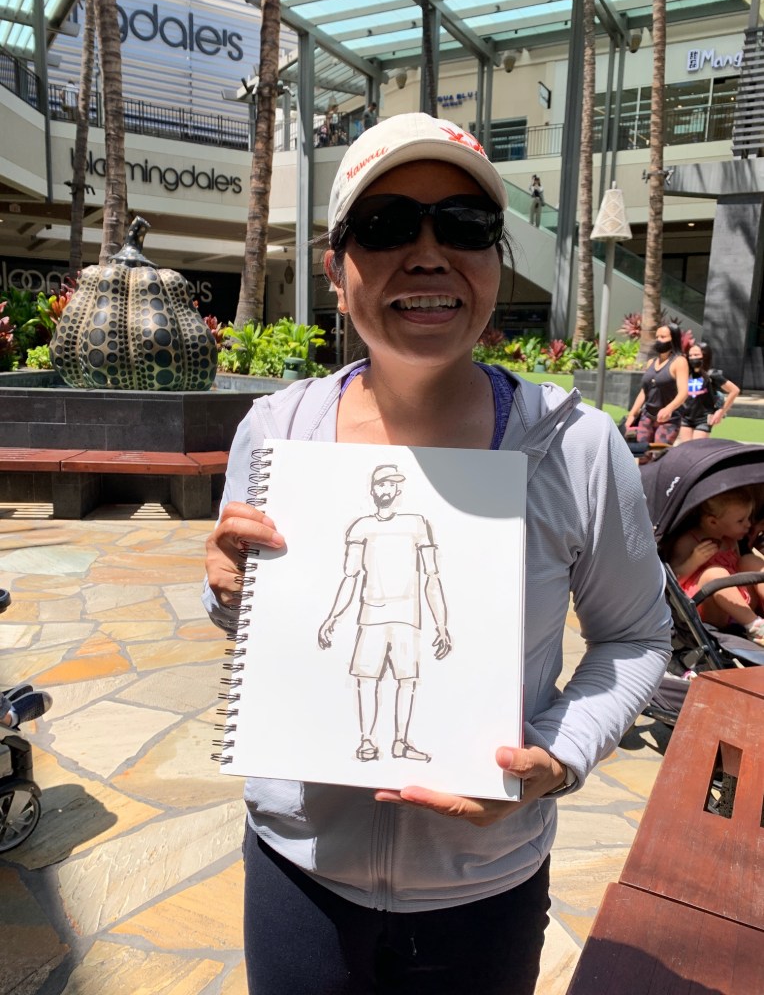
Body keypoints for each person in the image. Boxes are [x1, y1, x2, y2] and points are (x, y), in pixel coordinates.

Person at [203, 112, 671, 995]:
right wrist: (231, 591)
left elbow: (638, 637)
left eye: (463, 225)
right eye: (386, 227)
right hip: (298, 870)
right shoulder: (274, 432)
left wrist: (559, 753)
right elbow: (272, 618)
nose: (427, 254)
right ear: (337, 269)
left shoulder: (577, 447)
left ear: (495, 258)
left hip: (484, 885)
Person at [317, 463, 451, 764]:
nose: (386, 489)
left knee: (407, 680)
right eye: (381, 484)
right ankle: (367, 741)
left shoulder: (417, 524)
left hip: (407, 616)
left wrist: (441, 624)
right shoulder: (361, 527)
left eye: (392, 484)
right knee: (366, 678)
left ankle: (401, 742)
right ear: (373, 489)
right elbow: (350, 577)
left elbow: (432, 577)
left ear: (399, 489)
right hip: (372, 615)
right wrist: (332, 617)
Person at [670, 487, 764, 646]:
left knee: (750, 561)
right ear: (713, 522)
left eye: (749, 518)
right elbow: (672, 582)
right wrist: (693, 561)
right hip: (709, 610)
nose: (748, 524)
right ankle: (756, 627)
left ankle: (752, 620)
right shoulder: (688, 542)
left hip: (740, 605)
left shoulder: (731, 539)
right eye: (741, 521)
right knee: (715, 573)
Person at [624, 322, 689, 447]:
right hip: (647, 416)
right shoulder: (651, 362)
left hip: (668, 419)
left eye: (663, 337)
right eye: (657, 337)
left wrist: (668, 409)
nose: (658, 340)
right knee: (642, 453)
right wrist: (632, 413)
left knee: (659, 454)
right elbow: (644, 391)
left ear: (673, 339)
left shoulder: (679, 362)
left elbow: (683, 392)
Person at [675, 341, 740, 444]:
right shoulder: (686, 373)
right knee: (685, 449)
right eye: (690, 355)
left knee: (698, 449)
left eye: (696, 355)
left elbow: (734, 390)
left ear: (705, 356)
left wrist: (721, 412)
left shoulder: (711, 374)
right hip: (686, 417)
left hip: (704, 419)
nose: (693, 358)